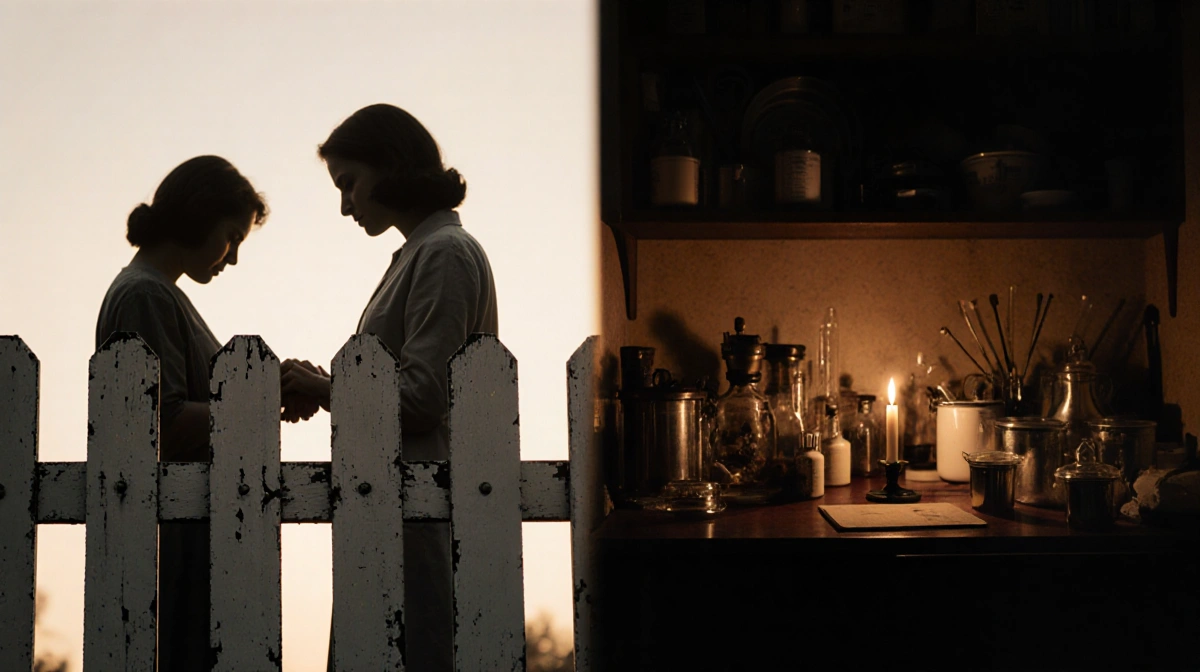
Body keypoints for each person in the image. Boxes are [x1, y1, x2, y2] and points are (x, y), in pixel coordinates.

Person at [280, 103, 499, 671]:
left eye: (349, 183)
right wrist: (325, 383)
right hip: (386, 518)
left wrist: (329, 391)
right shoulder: (420, 253)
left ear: (392, 166)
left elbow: (420, 400)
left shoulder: (445, 254)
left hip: (417, 523)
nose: (345, 204)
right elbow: (395, 386)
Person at [94, 155, 290, 671]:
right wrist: (266, 401)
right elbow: (166, 423)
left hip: (194, 529)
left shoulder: (161, 293)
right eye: (233, 236)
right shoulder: (145, 295)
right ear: (201, 215)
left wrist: (265, 389)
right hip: (175, 538)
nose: (233, 258)